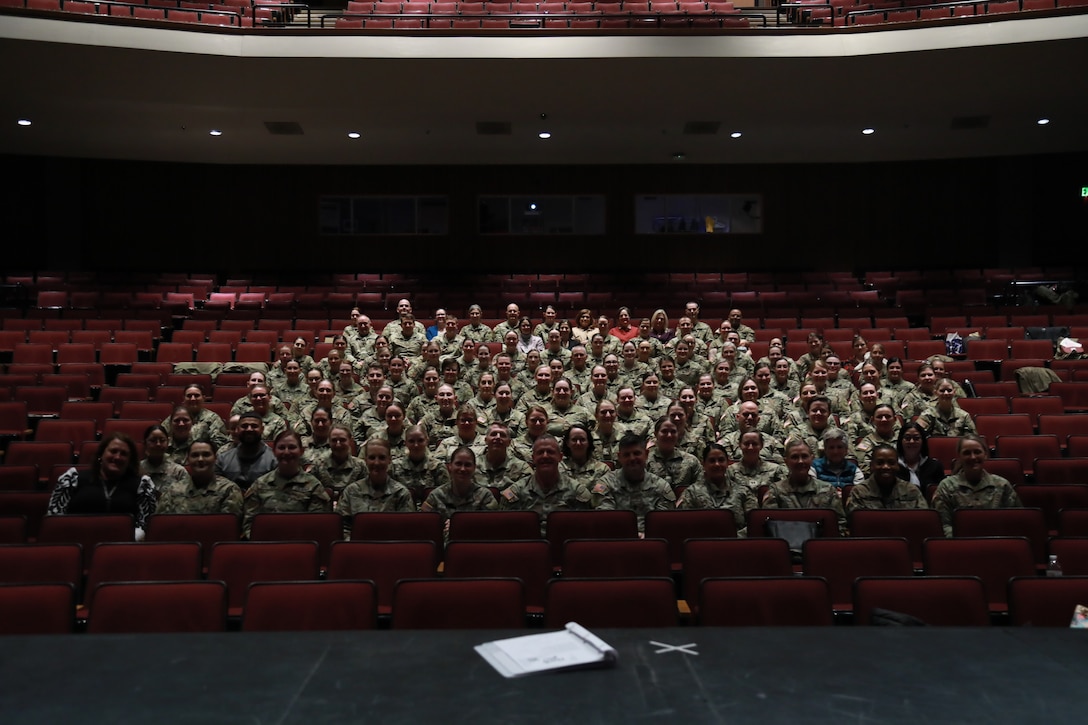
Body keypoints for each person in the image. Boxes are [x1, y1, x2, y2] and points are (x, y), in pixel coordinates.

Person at [48, 432, 157, 537]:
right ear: (101, 454)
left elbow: (146, 525)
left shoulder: (142, 485)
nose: (117, 457)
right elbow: (55, 519)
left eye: (124, 454)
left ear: (129, 460)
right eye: (113, 451)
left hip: (122, 548)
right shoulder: (73, 478)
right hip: (75, 540)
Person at [241, 429, 331, 538]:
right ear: (274, 451)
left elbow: (317, 526)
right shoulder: (260, 485)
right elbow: (249, 524)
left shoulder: (314, 486)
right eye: (281, 448)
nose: (286, 452)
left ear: (301, 451)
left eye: (292, 447)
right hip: (265, 547)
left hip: (301, 547)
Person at [498, 434, 594, 534]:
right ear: (533, 458)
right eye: (540, 452)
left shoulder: (577, 492)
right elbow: (505, 532)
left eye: (550, 452)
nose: (545, 456)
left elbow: (586, 532)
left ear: (560, 457)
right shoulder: (516, 493)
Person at [932, 434, 1021, 537]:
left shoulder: (1002, 485)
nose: (973, 457)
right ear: (959, 457)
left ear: (985, 454)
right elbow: (943, 525)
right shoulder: (946, 487)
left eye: (977, 452)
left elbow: (1015, 520)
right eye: (967, 453)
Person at [762, 438, 847, 534]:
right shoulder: (775, 491)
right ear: (786, 461)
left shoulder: (828, 490)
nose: (800, 461)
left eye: (804, 456)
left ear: (812, 459)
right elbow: (769, 528)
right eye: (794, 457)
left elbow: (840, 525)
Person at [594, 432, 676, 531]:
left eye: (636, 453)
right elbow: (605, 519)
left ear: (646, 454)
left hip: (651, 541)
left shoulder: (661, 486)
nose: (632, 458)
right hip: (617, 540)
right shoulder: (606, 483)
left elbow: (664, 523)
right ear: (619, 457)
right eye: (627, 455)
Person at [338, 438, 417, 535]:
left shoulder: (401, 494)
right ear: (365, 460)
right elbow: (342, 528)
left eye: (382, 458)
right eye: (372, 458)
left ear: (389, 460)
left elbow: (407, 531)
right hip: (358, 547)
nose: (376, 463)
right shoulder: (351, 492)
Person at [678, 444, 759, 535]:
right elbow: (685, 525)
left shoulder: (743, 491)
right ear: (703, 464)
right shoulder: (691, 493)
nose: (717, 464)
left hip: (737, 544)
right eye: (712, 461)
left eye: (721, 460)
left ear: (728, 463)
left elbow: (754, 524)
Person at [156, 440, 244, 516]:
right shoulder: (173, 491)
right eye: (195, 455)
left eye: (206, 455)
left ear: (215, 459)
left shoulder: (229, 490)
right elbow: (163, 525)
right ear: (188, 460)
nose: (200, 459)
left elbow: (228, 527)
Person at [422, 446, 498, 531]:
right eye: (458, 464)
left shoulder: (485, 496)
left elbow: (492, 528)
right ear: (450, 466)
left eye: (467, 465)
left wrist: (460, 524)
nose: (462, 469)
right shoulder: (435, 496)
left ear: (474, 468)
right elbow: (425, 527)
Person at [846, 443, 929, 512]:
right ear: (871, 466)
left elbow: (924, 520)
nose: (886, 467)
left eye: (891, 463)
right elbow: (854, 525)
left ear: (898, 466)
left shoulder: (911, 491)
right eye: (880, 462)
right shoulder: (859, 492)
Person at [216, 412, 277, 488]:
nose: (249, 429)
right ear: (237, 429)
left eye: (254, 426)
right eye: (244, 426)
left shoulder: (274, 460)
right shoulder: (223, 460)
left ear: (262, 429)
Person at [310, 424, 369, 502]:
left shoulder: (360, 466)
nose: (338, 444)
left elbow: (366, 495)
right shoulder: (318, 464)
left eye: (342, 440)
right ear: (329, 441)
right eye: (334, 440)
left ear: (350, 441)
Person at [723, 430, 790, 495]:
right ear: (739, 445)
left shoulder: (775, 470)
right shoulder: (730, 471)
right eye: (746, 444)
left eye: (754, 444)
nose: (750, 448)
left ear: (761, 445)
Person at [647, 417, 702, 491]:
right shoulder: (645, 461)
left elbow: (702, 488)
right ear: (655, 434)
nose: (669, 435)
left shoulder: (691, 461)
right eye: (664, 431)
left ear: (678, 434)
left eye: (673, 431)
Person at [475, 421, 532, 490]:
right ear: (486, 440)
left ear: (509, 442)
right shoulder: (472, 465)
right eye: (494, 434)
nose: (498, 437)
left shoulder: (522, 468)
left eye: (502, 435)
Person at [560, 424, 611, 491]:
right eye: (574, 440)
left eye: (582, 439)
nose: (578, 443)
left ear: (588, 442)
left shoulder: (603, 469)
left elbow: (604, 489)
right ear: (567, 443)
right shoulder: (560, 467)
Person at [140, 423, 189, 492]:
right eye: (153, 441)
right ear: (145, 443)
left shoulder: (178, 471)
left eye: (162, 440)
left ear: (168, 442)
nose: (158, 444)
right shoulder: (136, 470)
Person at [896, 422, 945, 489]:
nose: (912, 442)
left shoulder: (935, 466)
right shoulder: (893, 466)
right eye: (907, 438)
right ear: (900, 441)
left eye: (916, 438)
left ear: (923, 441)